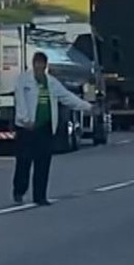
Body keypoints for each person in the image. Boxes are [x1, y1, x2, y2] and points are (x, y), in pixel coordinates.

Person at [13, 52, 97, 205]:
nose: (39, 67)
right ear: (33, 64)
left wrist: (87, 107)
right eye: (37, 63)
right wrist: (25, 119)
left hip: (45, 127)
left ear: (45, 66)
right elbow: (20, 100)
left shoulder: (51, 83)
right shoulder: (24, 81)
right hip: (27, 128)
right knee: (24, 162)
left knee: (43, 162)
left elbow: (67, 97)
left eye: (42, 64)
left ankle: (40, 196)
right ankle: (19, 190)